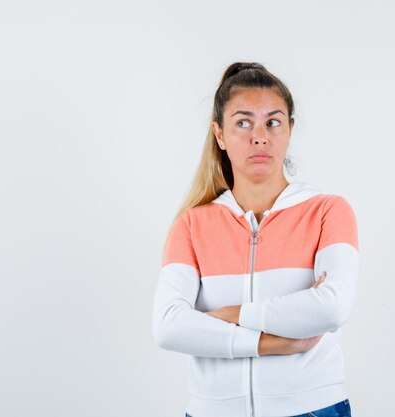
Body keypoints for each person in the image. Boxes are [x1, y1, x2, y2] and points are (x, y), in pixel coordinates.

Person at [151, 62, 359, 417]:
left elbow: (332, 308)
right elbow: (169, 326)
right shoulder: (192, 224)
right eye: (243, 122)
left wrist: (233, 314)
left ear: (290, 129)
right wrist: (268, 343)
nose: (259, 136)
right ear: (219, 134)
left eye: (273, 122)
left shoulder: (327, 211)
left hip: (311, 408)